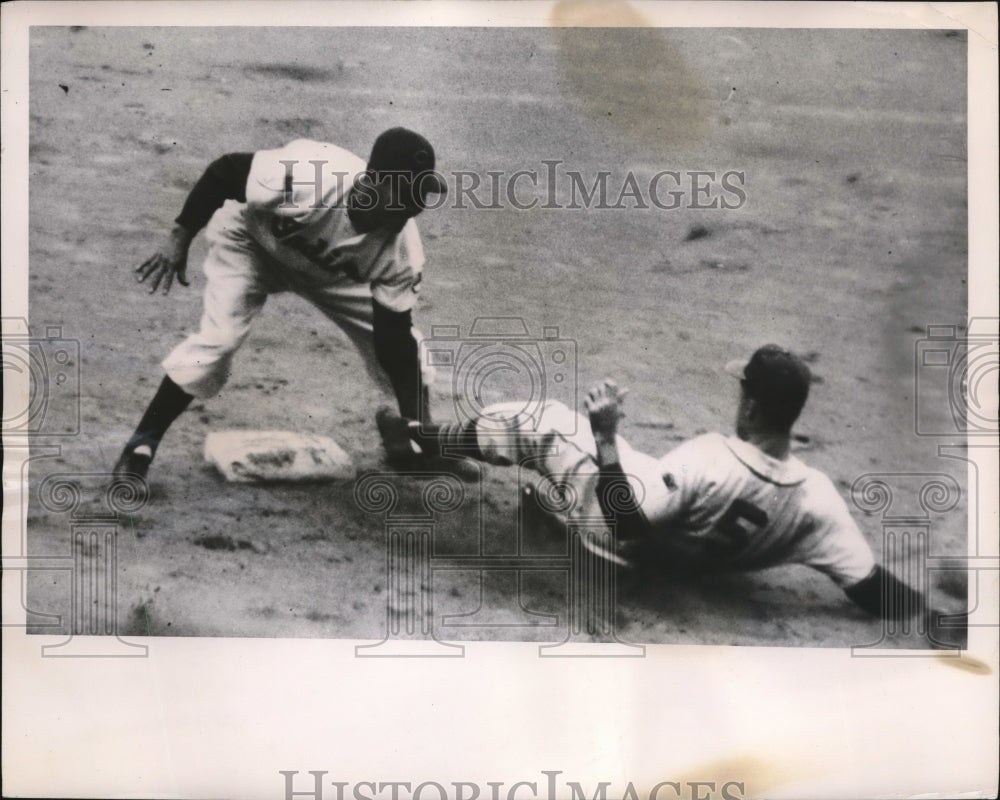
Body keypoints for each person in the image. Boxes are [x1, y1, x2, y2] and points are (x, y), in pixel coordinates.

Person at [376, 344, 964, 645]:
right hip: (690, 557)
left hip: (615, 532)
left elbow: (627, 521)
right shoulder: (818, 500)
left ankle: (419, 440)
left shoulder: (712, 455)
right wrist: (937, 616)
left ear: (751, 405)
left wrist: (605, 438)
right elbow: (871, 589)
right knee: (638, 467)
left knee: (540, 422)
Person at [114, 127, 470, 481]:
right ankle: (141, 446)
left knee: (411, 356)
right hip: (251, 243)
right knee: (218, 341)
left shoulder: (402, 253)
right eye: (404, 194)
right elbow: (226, 171)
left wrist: (418, 425)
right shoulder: (312, 177)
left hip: (332, 276)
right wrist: (180, 237)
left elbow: (395, 343)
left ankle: (413, 443)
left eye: (419, 196)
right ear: (372, 180)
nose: (412, 207)